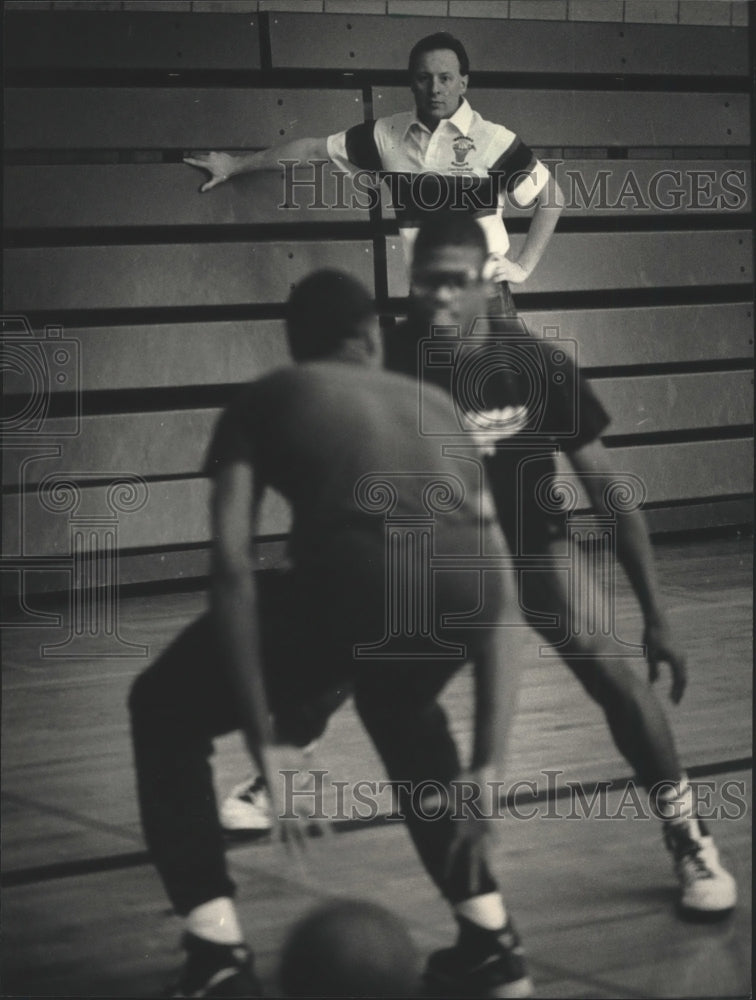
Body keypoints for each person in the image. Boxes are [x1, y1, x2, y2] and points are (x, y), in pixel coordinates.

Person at [129, 269, 534, 999]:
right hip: (454, 603)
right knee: (398, 703)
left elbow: (230, 569)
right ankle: (492, 941)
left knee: (161, 708)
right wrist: (487, 771)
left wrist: (267, 747)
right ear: (372, 338)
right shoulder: (438, 405)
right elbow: (500, 601)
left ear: (293, 345)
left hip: (353, 583)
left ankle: (216, 952)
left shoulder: (267, 396)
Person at [382, 211, 737, 918]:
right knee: (377, 688)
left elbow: (611, 496)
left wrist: (658, 619)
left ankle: (688, 833)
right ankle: (290, 762)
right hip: (444, 559)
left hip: (534, 546)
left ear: (487, 280)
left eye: (453, 283)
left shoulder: (535, 363)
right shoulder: (391, 362)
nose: (438, 300)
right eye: (426, 285)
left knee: (615, 673)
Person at [184, 31, 565, 301]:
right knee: (421, 414)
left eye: (446, 78)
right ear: (411, 84)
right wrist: (235, 165)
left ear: (463, 83)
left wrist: (523, 267)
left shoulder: (494, 139)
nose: (435, 88)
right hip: (425, 298)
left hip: (483, 296)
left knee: (492, 413)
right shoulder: (386, 135)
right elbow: (312, 150)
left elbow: (552, 196)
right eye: (424, 78)